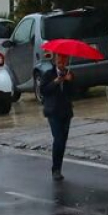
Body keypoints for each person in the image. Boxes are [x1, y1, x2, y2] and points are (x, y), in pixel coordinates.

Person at [39, 52, 74, 182]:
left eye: (64, 58)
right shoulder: (48, 74)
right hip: (53, 112)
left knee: (63, 141)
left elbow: (74, 93)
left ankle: (59, 167)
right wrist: (55, 82)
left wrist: (70, 81)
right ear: (54, 59)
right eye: (59, 58)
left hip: (66, 112)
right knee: (58, 139)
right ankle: (55, 169)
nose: (61, 61)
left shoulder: (70, 73)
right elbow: (43, 90)